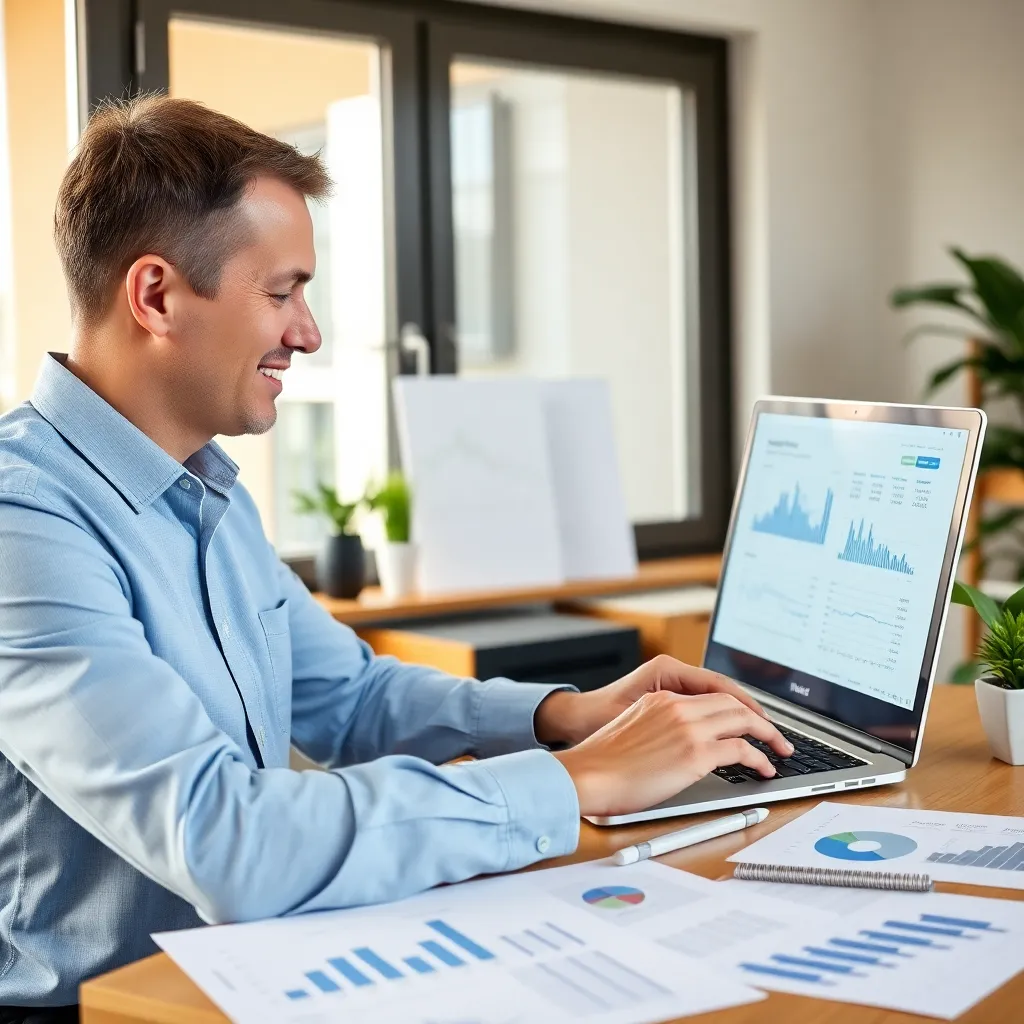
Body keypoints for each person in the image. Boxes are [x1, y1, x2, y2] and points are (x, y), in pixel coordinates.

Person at [0, 95, 791, 1021]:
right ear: (157, 295)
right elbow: (222, 838)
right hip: (107, 1010)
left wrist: (565, 719)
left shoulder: (207, 490)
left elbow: (353, 694)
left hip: (244, 975)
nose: (309, 332)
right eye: (281, 290)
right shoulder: (26, 523)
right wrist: (579, 781)